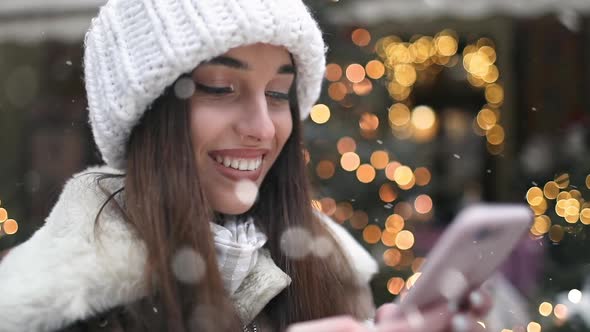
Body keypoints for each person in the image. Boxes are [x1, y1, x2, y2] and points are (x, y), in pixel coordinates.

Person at [0, 0, 490, 331]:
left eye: (279, 94)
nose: (262, 127)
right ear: (147, 117)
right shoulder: (48, 306)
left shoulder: (331, 272)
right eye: (220, 88)